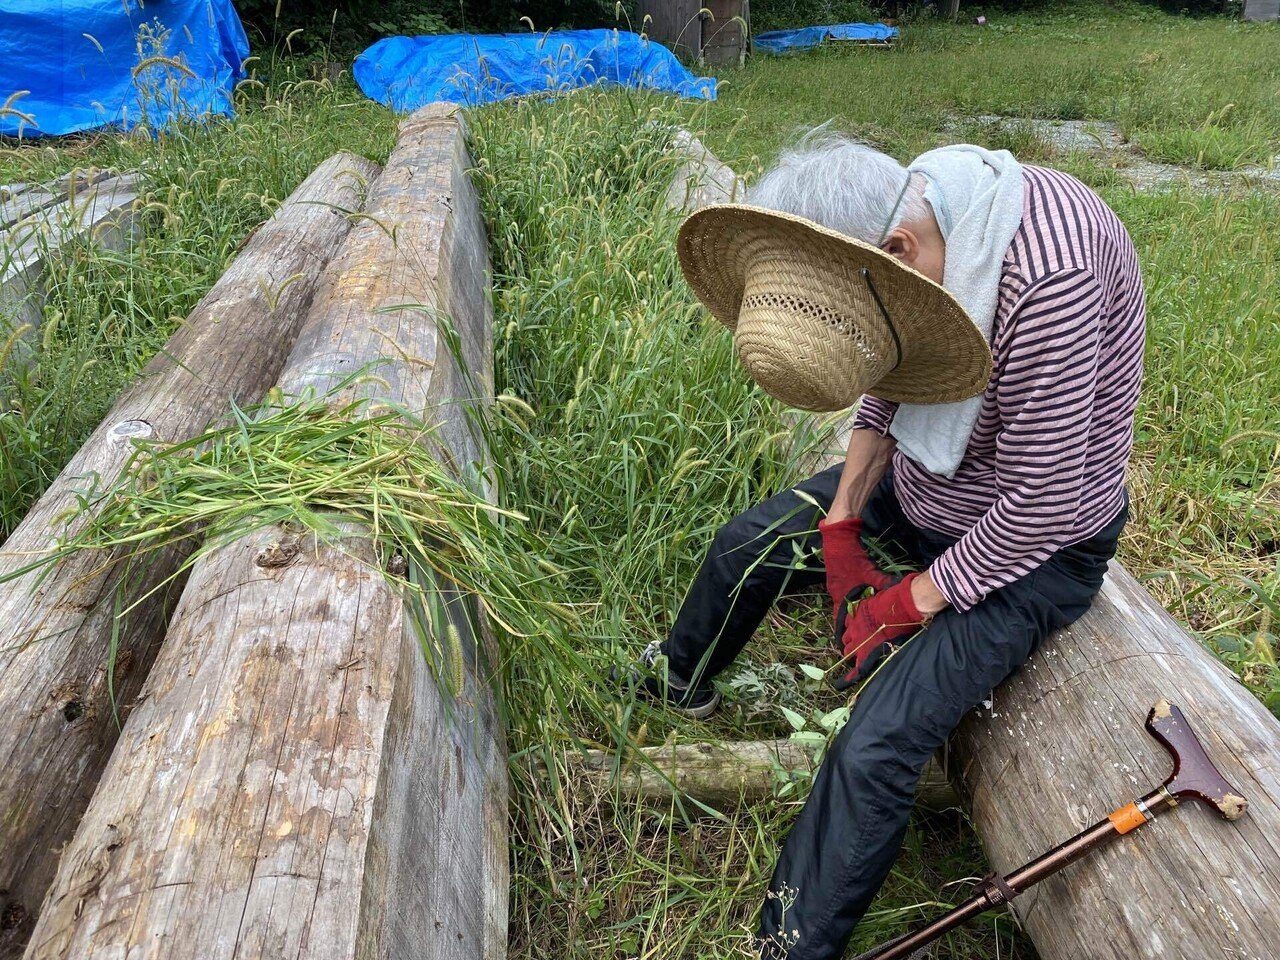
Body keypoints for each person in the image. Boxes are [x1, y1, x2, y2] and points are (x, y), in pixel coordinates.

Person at [623, 132, 1146, 959]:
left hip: (1038, 547)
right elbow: (884, 386)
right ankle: (676, 681)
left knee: (875, 744)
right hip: (926, 488)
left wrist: (907, 603)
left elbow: (1042, 501)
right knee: (744, 546)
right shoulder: (927, 210)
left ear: (897, 251)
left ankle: (787, 948)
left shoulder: (1054, 278)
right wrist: (841, 528)